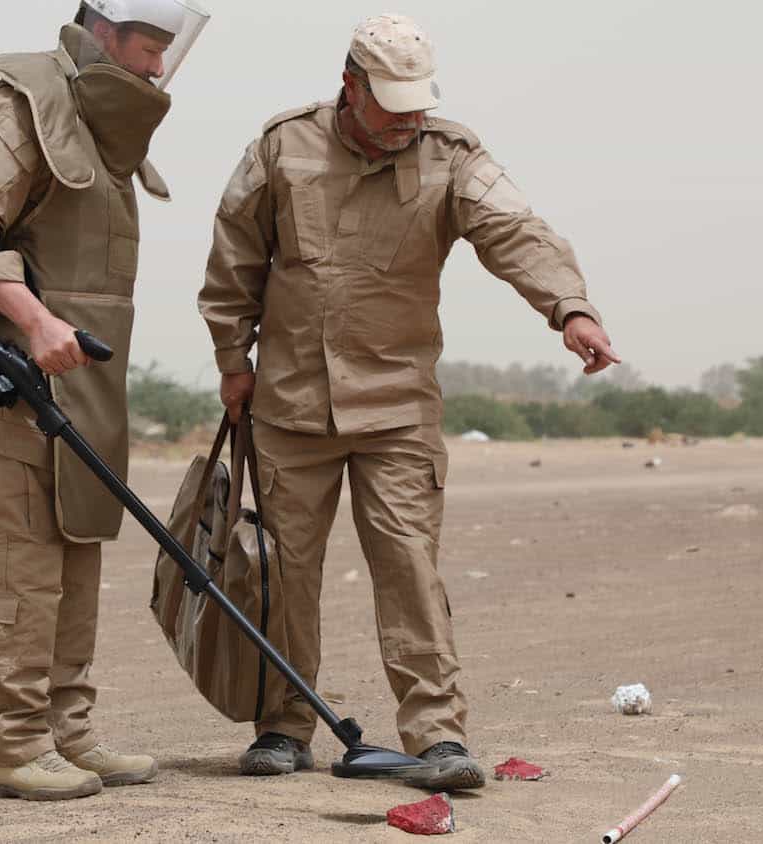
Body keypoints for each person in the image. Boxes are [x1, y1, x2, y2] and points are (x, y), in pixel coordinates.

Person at [197, 13, 620, 791]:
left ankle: (437, 735)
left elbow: (516, 230)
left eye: (418, 104)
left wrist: (570, 307)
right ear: (350, 86)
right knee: (285, 572)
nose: (408, 121)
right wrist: (233, 360)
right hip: (292, 405)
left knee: (409, 568)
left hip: (397, 409)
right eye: (392, 105)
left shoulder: (452, 155)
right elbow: (233, 256)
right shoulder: (282, 147)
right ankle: (285, 726)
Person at [0, 0, 208, 802]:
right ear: (102, 30)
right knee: (21, 566)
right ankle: (14, 744)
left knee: (77, 546)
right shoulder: (23, 104)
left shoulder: (104, 131)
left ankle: (68, 730)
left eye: (164, 50)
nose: (157, 67)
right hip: (12, 379)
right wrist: (38, 321)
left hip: (83, 381)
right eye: (148, 46)